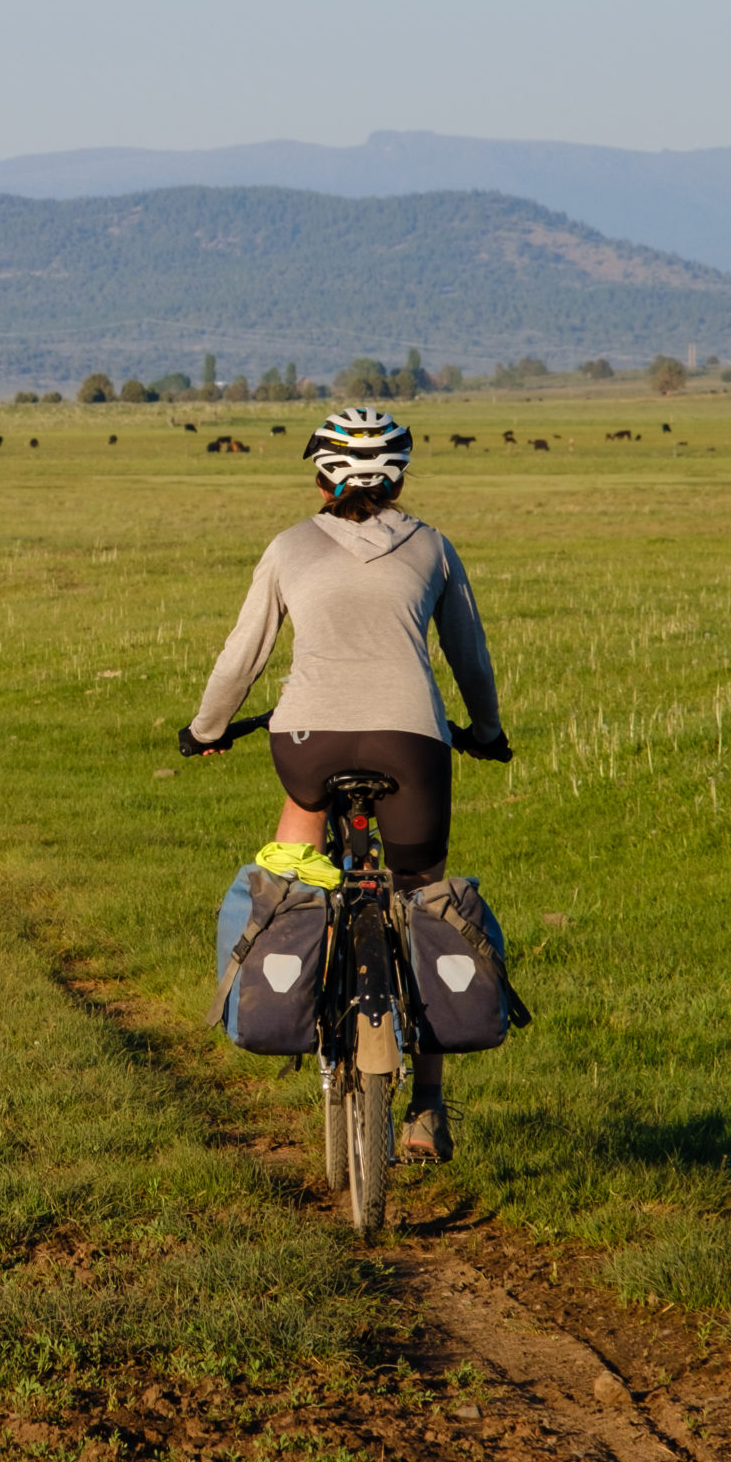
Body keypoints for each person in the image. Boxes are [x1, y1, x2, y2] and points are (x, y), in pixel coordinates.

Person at [178, 407, 510, 1162]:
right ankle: (427, 1106)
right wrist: (485, 733)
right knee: (423, 894)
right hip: (412, 742)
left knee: (295, 858)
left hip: (306, 744)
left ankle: (294, 969)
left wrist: (206, 729)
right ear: (398, 474)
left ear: (323, 473)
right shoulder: (432, 545)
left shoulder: (291, 545)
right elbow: (471, 662)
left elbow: (240, 660)